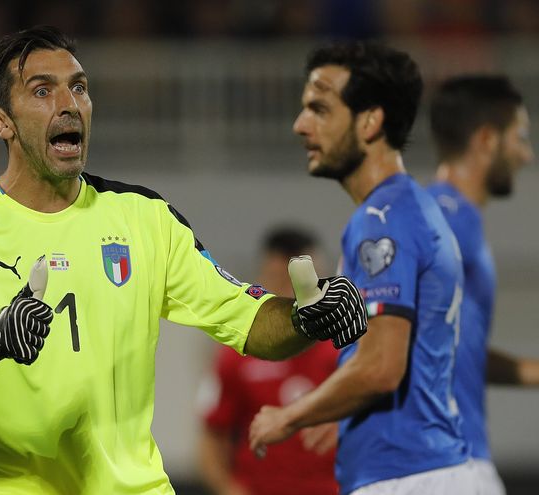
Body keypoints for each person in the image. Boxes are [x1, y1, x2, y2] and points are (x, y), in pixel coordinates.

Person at [0, 26, 366, 495]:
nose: (68, 104)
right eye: (42, 91)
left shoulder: (146, 217)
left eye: (78, 87)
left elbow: (248, 318)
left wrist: (306, 317)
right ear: (1, 122)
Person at [249, 41, 475, 494]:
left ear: (370, 122)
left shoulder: (381, 221)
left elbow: (380, 368)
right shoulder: (406, 209)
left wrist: (289, 416)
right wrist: (340, 408)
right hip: (420, 467)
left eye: (320, 109)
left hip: (406, 476)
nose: (300, 124)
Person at [427, 74, 537, 495]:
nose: (526, 155)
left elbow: (449, 347)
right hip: (448, 465)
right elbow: (386, 326)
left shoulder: (450, 217)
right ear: (488, 139)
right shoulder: (446, 220)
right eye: (520, 138)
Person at [198, 226, 339, 495]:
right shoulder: (236, 353)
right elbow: (211, 437)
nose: (293, 293)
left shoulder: (346, 348)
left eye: (305, 283)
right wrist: (231, 490)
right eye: (281, 280)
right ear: (262, 282)